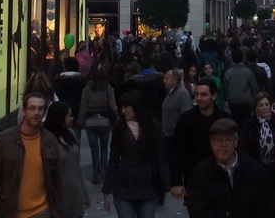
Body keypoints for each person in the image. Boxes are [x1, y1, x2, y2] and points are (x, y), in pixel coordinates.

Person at [0, 90, 59, 218]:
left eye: (40, 109)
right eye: (32, 108)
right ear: (24, 111)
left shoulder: (50, 141)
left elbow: (57, 179)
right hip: (10, 211)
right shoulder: (4, 140)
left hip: (41, 211)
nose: (36, 113)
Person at [185, 117, 275, 218]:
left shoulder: (255, 169)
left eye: (228, 139)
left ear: (236, 142)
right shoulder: (201, 173)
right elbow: (197, 210)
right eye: (219, 140)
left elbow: (268, 206)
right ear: (212, 143)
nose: (223, 144)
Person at [101, 90, 169, 218]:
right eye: (122, 107)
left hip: (148, 186)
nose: (123, 111)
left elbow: (160, 156)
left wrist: (168, 182)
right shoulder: (119, 128)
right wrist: (107, 189)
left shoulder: (153, 127)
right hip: (124, 186)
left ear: (137, 107)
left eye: (127, 107)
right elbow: (114, 159)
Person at [170, 77, 229, 201]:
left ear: (213, 96)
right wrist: (176, 181)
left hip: (221, 178)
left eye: (203, 94)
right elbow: (176, 150)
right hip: (194, 177)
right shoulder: (186, 120)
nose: (199, 98)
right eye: (197, 94)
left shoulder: (224, 120)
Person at [44, 101, 90, 218]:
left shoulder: (70, 134)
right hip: (58, 198)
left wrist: (84, 193)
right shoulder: (47, 139)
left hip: (75, 196)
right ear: (60, 118)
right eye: (69, 116)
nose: (72, 118)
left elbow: (77, 166)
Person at [78, 66, 116, 183]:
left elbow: (83, 108)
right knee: (104, 147)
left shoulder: (87, 90)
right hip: (105, 121)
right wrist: (115, 120)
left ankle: (96, 172)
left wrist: (80, 122)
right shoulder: (108, 89)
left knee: (94, 149)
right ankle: (104, 171)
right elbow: (113, 106)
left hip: (90, 122)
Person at [239, 91, 275, 168]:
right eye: (261, 105)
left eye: (267, 104)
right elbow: (243, 147)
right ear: (255, 108)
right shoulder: (249, 124)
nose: (264, 107)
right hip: (256, 166)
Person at [224, 48, 260, 122]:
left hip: (233, 101)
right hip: (246, 101)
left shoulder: (228, 73)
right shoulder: (248, 71)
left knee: (236, 121)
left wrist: (229, 99)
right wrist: (255, 99)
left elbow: (226, 88)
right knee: (247, 121)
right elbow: (254, 87)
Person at [163, 68, 194, 141]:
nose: (164, 81)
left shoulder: (182, 94)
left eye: (166, 79)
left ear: (174, 81)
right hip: (167, 136)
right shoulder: (169, 93)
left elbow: (187, 117)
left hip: (176, 138)